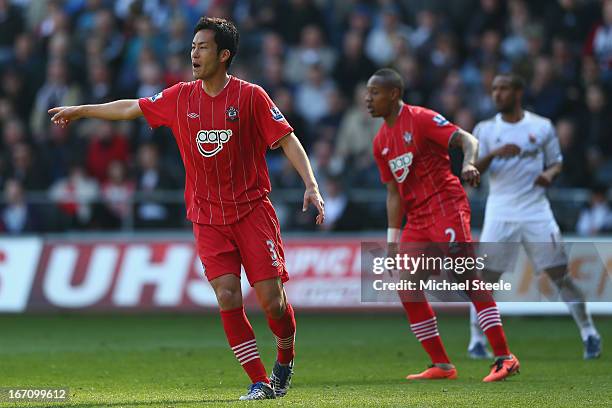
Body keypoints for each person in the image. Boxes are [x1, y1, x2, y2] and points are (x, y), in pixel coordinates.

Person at [48, 17, 325, 400]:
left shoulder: (251, 97)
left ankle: (286, 356)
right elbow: (132, 107)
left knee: (272, 302)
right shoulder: (180, 97)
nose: (194, 52)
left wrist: (311, 185)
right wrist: (82, 110)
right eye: (193, 46)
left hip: (251, 211)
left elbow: (288, 140)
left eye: (203, 47)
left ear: (224, 55)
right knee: (228, 296)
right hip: (207, 218)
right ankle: (260, 381)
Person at [367, 68, 519, 382]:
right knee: (407, 286)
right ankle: (442, 364)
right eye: (368, 93)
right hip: (418, 219)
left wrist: (469, 163)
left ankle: (505, 357)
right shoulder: (381, 141)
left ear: (394, 94)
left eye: (374, 93)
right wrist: (393, 240)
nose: (368, 99)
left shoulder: (421, 119)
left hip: (447, 206)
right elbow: (394, 193)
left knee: (465, 275)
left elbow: (467, 140)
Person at [469, 73, 601, 360]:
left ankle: (589, 332)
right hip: (500, 209)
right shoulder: (485, 129)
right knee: (485, 279)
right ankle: (476, 340)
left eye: (503, 88)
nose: (497, 94)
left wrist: (548, 175)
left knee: (559, 274)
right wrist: (493, 155)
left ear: (518, 92)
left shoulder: (541, 127)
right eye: (494, 89)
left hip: (535, 209)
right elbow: (471, 173)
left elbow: (557, 163)